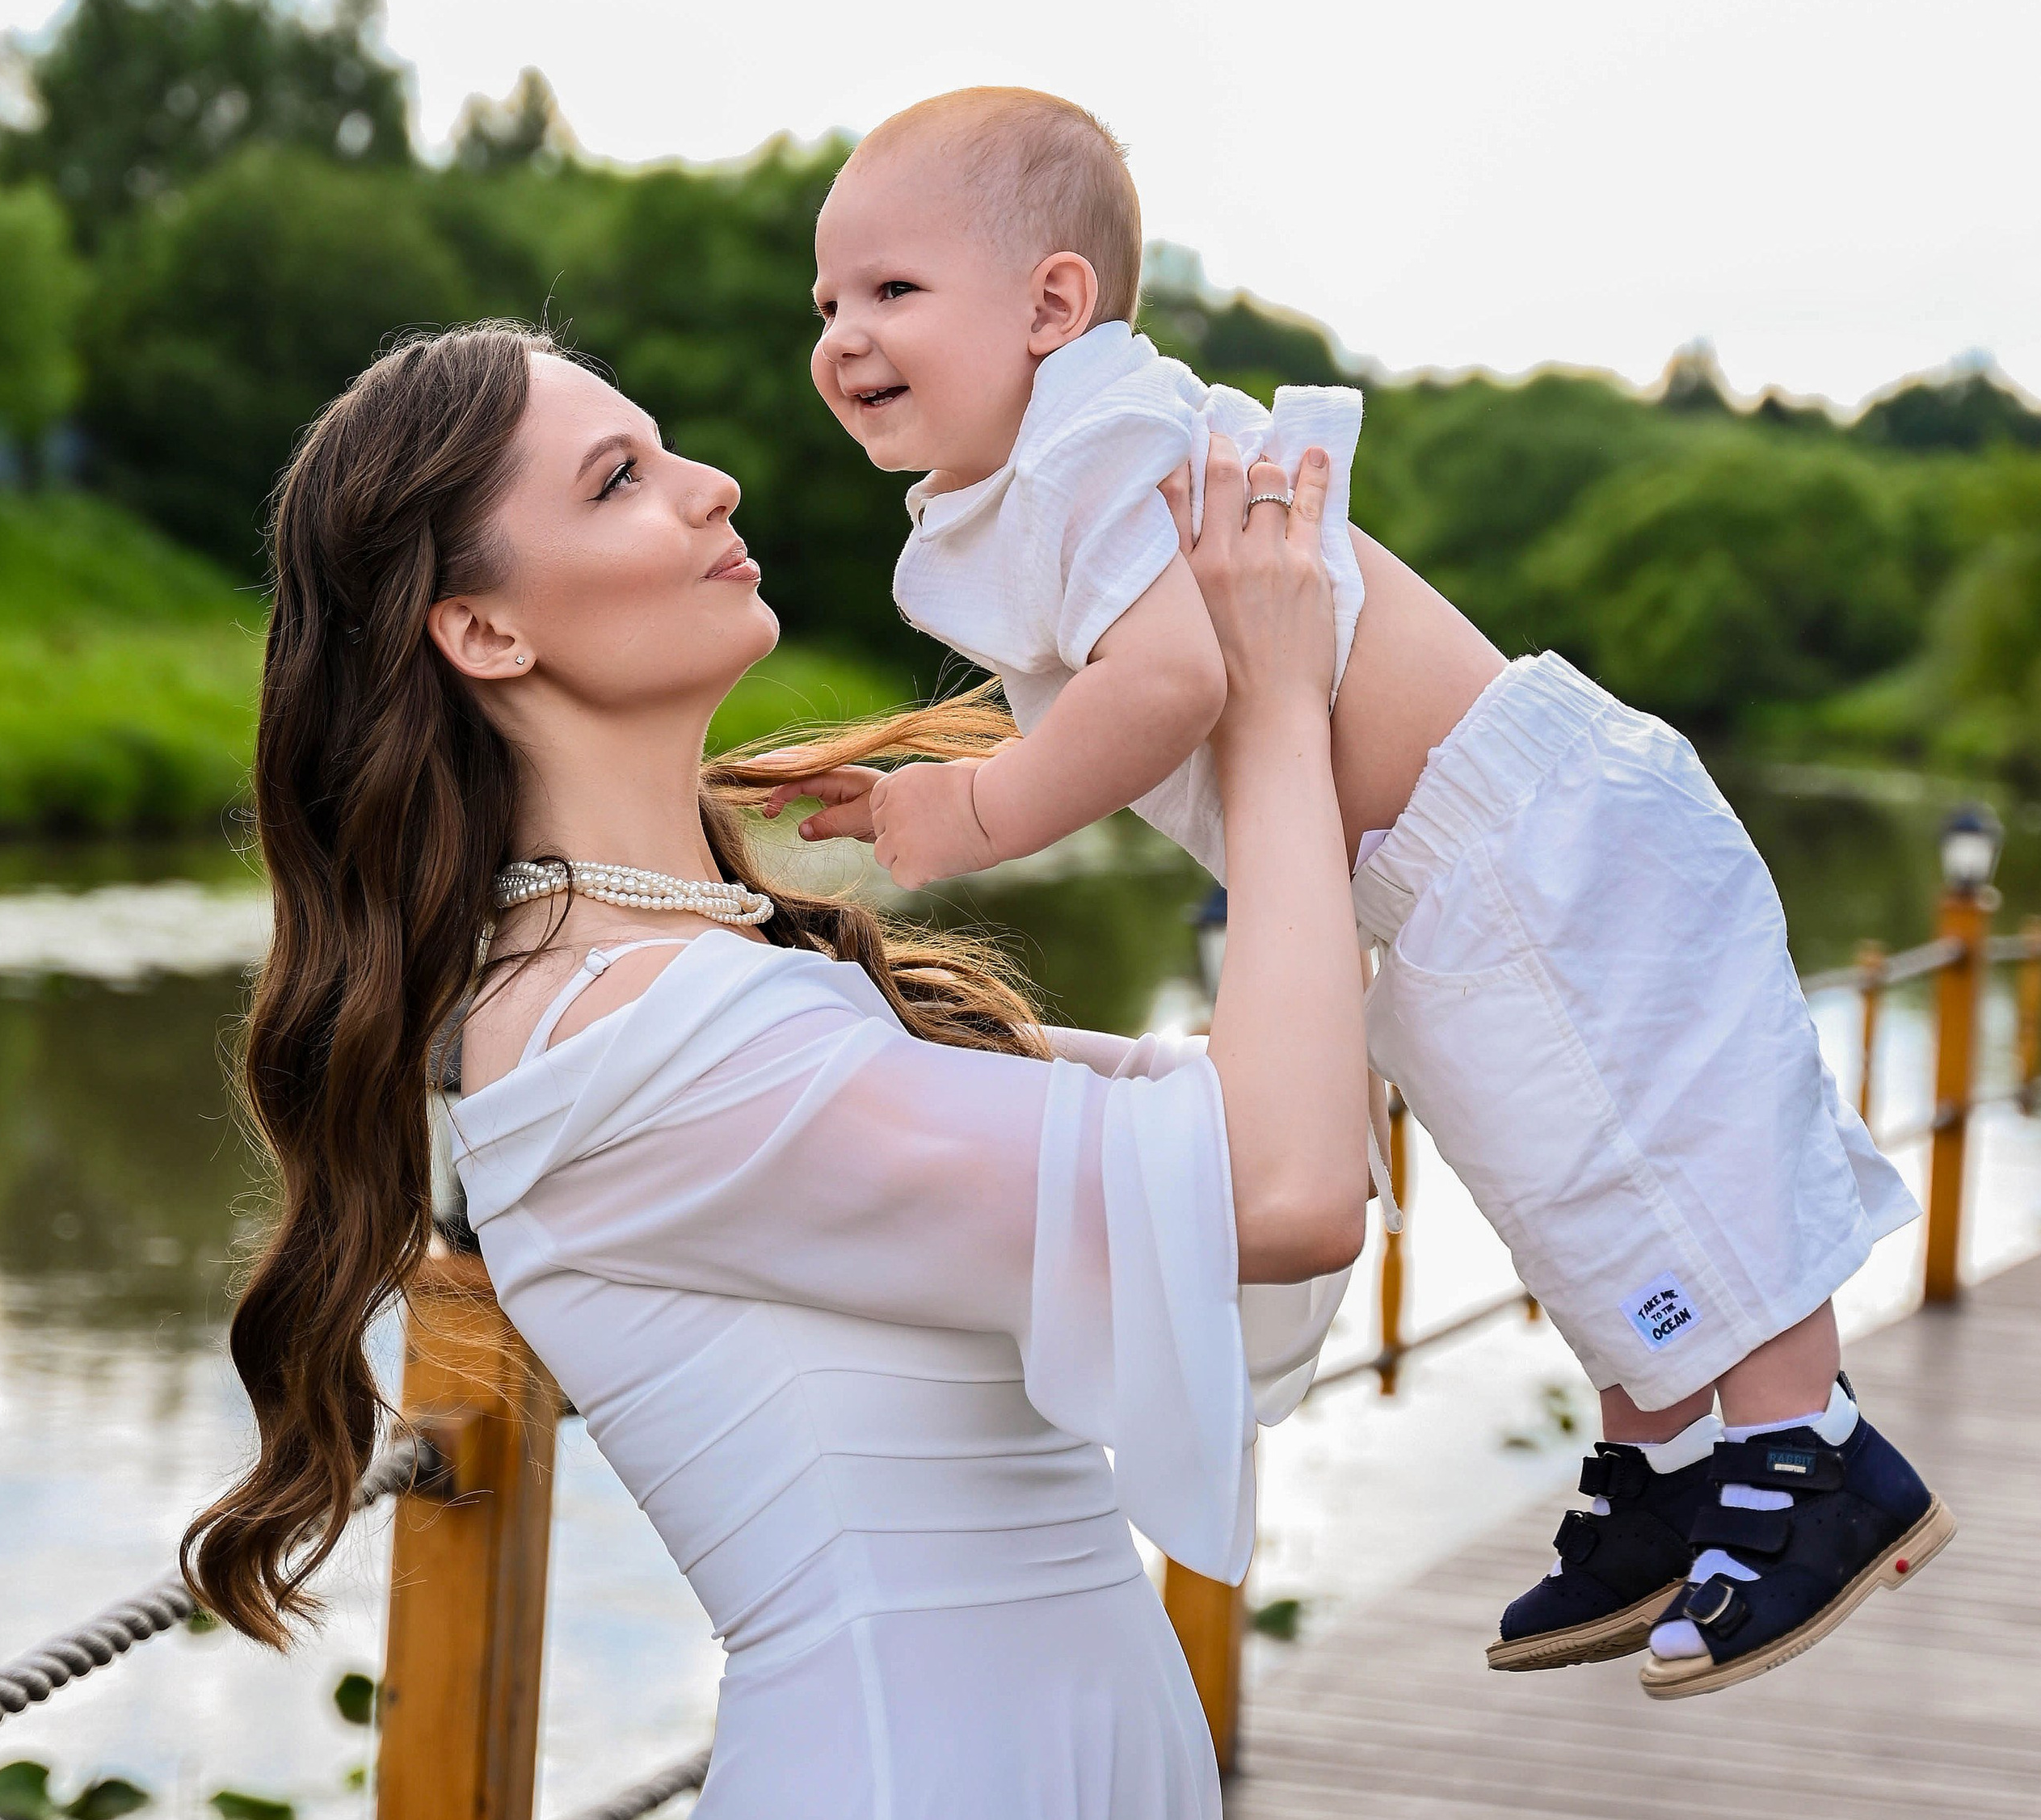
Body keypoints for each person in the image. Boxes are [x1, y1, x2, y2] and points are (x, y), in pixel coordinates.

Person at [182, 319, 1368, 1820]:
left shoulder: (726, 978)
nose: (719, 481)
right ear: (480, 626)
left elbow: (1247, 1119)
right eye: (623, 479)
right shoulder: (641, 1052)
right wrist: (1279, 713)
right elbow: (1283, 1191)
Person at [783, 86, 1954, 1700]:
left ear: (1053, 305)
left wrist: (974, 809)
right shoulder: (1047, 475)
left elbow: (1176, 681)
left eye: (891, 292)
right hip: (1455, 872)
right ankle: (1670, 1466)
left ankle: (1808, 1451)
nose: (843, 335)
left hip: (1527, 837)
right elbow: (1123, 684)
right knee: (1561, 1183)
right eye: (826, 304)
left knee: (1652, 1150)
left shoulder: (1098, 447)